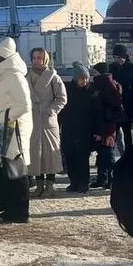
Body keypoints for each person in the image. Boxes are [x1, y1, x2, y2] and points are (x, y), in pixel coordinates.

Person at [0, 37, 34, 223]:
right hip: (0, 125)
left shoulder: (14, 76)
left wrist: (4, 117)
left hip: (12, 129)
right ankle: (4, 209)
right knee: (1, 169)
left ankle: (20, 212)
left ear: (1, 57)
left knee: (15, 169)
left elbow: (24, 105)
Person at [26, 48, 67, 198]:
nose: (36, 60)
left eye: (39, 58)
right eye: (34, 57)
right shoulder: (27, 76)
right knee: (35, 154)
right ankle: (39, 185)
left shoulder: (53, 77)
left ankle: (50, 185)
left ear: (45, 59)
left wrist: (52, 110)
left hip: (47, 119)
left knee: (50, 154)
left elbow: (62, 98)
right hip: (32, 119)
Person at [59, 65, 98, 193]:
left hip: (85, 130)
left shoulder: (91, 92)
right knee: (70, 157)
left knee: (83, 158)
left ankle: (83, 182)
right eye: (81, 79)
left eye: (86, 78)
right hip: (69, 129)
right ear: (76, 79)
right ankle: (74, 182)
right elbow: (62, 111)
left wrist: (97, 130)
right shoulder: (68, 91)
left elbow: (97, 113)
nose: (84, 81)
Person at [90, 62, 125, 189]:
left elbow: (115, 102)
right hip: (103, 123)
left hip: (107, 124)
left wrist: (102, 100)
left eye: (95, 72)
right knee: (102, 153)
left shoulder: (107, 84)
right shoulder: (102, 84)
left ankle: (111, 179)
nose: (93, 75)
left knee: (108, 154)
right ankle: (102, 178)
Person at [109, 44, 133, 144]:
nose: (117, 60)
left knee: (130, 138)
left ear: (124, 56)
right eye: (115, 57)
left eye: (119, 57)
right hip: (115, 107)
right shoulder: (112, 68)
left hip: (129, 108)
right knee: (113, 136)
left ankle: (129, 156)